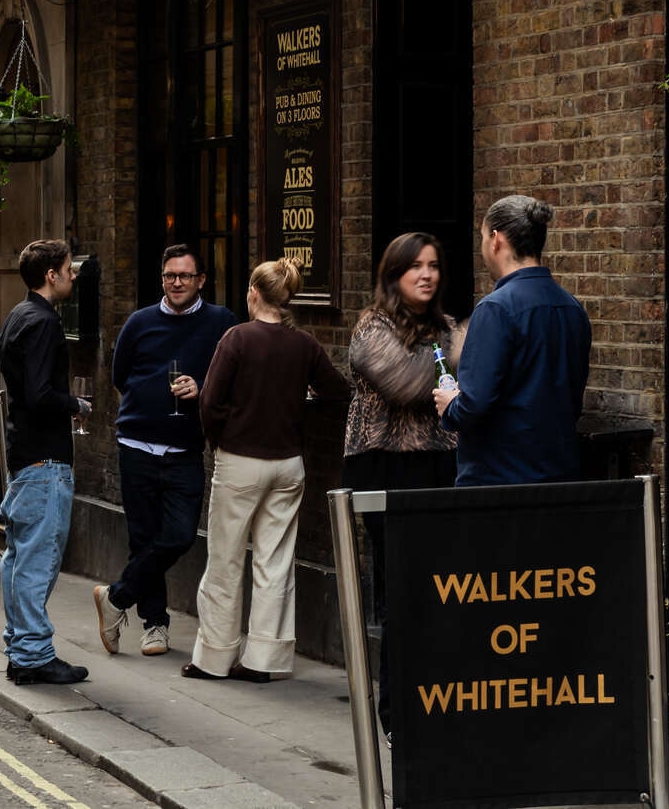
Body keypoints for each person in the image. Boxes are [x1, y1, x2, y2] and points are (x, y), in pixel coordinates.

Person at [185, 258, 349, 682]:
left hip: (240, 460)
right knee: (275, 562)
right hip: (288, 464)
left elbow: (209, 402)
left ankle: (215, 658)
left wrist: (218, 441)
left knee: (224, 561)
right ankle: (265, 660)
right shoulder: (305, 345)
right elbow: (337, 390)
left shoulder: (237, 338)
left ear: (254, 293)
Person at [94, 245, 239, 660]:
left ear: (201, 281)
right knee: (143, 539)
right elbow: (121, 376)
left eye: (185, 276)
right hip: (136, 445)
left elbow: (233, 383)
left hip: (185, 449)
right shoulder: (139, 323)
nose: (177, 282)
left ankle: (116, 597)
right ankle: (154, 624)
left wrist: (203, 391)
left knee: (178, 535)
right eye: (170, 275)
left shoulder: (221, 323)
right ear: (162, 279)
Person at [343, 233, 458, 731]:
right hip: (386, 467)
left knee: (441, 590)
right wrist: (461, 351)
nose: (427, 275)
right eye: (415, 267)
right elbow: (409, 383)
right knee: (401, 594)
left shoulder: (447, 327)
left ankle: (439, 699)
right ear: (394, 275)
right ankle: (396, 712)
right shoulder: (371, 328)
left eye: (434, 265)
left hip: (439, 467)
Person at [434, 195, 590, 485]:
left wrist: (451, 404)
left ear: (496, 239)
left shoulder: (495, 308)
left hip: (499, 484)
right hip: (561, 477)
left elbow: (474, 406)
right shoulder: (572, 308)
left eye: (482, 237)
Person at [0, 239, 90, 686]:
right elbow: (38, 394)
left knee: (17, 558)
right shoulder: (45, 322)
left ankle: (21, 648)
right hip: (45, 460)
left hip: (23, 454)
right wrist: (77, 403)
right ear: (51, 274)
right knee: (37, 559)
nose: (74, 275)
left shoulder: (18, 315)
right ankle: (33, 654)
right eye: (69, 268)